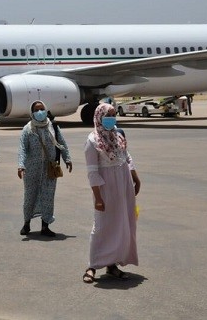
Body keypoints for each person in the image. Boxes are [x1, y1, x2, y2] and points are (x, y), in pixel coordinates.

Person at [82, 103, 140, 283]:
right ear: (99, 116)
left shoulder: (118, 135)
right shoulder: (92, 140)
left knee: (121, 224)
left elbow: (126, 158)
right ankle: (92, 266)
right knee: (101, 226)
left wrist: (135, 178)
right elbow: (92, 171)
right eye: (108, 115)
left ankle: (112, 264)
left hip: (123, 186)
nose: (112, 118)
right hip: (106, 188)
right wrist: (98, 197)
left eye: (114, 115)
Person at [17, 101, 72, 237]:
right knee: (30, 196)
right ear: (32, 112)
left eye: (42, 109)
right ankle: (26, 223)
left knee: (48, 197)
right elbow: (22, 149)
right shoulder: (28, 129)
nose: (40, 112)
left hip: (50, 168)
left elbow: (61, 143)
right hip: (32, 169)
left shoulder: (52, 127)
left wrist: (67, 158)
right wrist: (21, 165)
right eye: (36, 110)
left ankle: (45, 226)